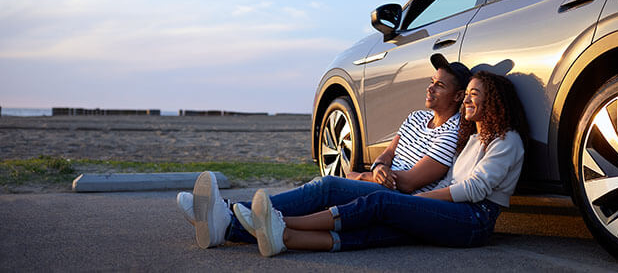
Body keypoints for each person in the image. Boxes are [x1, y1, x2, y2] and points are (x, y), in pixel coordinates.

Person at [180, 53, 473, 248]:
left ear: (458, 96)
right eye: (431, 82)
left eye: (440, 86)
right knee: (322, 195)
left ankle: (227, 213)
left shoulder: (453, 131)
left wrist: (362, 177)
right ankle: (228, 221)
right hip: (384, 185)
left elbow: (409, 182)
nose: (430, 89)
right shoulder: (415, 117)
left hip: (403, 200)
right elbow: (388, 153)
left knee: (326, 187)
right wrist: (378, 167)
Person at [247, 70, 529, 256]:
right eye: (466, 94)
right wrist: (419, 203)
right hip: (456, 211)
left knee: (382, 203)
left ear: (493, 101)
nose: (467, 100)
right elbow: (450, 182)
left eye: (474, 94)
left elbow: (475, 190)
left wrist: (420, 200)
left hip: (474, 220)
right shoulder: (473, 139)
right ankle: (283, 238)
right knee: (383, 230)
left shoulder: (507, 140)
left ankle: (281, 221)